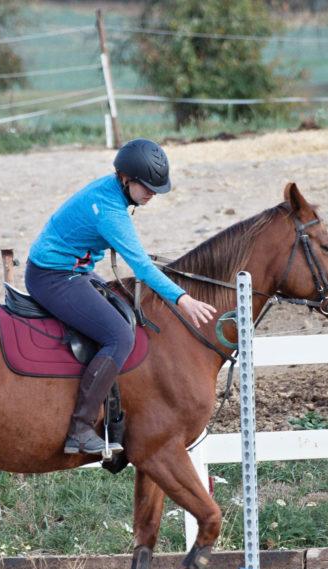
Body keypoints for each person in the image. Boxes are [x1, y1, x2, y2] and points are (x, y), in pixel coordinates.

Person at [26, 138, 216, 457]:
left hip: (75, 270)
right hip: (53, 276)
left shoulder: (112, 191)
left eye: (157, 188)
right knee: (119, 336)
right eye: (147, 186)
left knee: (123, 312)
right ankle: (80, 428)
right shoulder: (111, 211)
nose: (153, 193)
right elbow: (141, 268)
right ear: (126, 179)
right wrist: (182, 298)